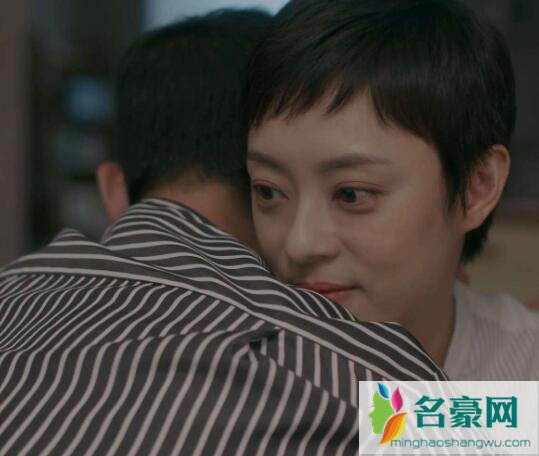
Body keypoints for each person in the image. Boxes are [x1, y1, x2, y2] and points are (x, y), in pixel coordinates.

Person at [0, 9, 446, 455]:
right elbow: (476, 433)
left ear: (113, 188)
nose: (307, 243)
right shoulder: (349, 372)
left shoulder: (13, 291)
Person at [243, 0, 539, 380]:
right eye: (268, 192)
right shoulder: (224, 369)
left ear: (476, 187)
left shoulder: (525, 374)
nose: (300, 244)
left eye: (351, 194)